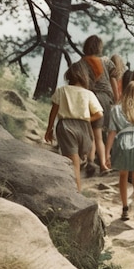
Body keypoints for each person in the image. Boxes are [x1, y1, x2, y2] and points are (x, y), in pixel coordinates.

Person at [44, 62, 103, 192]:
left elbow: (54, 111)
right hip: (84, 128)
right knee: (77, 161)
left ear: (69, 75)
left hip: (66, 126)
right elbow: (99, 113)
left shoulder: (62, 90)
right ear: (84, 76)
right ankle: (75, 188)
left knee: (73, 163)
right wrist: (87, 119)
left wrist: (49, 129)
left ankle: (76, 192)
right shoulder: (88, 93)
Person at [105, 80, 134, 228]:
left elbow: (112, 132)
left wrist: (107, 153)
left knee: (123, 177)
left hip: (123, 142)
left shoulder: (116, 110)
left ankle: (125, 209)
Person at [79, 35, 119, 176]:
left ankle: (90, 161)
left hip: (88, 97)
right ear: (99, 47)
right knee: (99, 134)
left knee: (90, 132)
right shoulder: (107, 61)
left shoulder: (81, 63)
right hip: (103, 98)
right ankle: (102, 165)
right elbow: (114, 81)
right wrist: (116, 98)